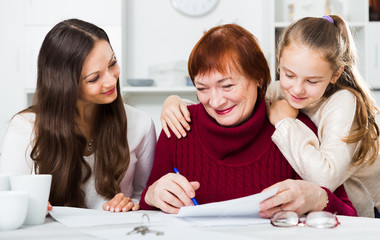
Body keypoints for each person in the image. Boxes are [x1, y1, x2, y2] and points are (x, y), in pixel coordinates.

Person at [160, 15, 380, 217]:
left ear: (335, 74)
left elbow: (325, 181)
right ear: (278, 61)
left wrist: (285, 122)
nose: (297, 89)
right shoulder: (278, 91)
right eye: (288, 74)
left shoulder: (344, 103)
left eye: (312, 81)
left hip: (363, 208)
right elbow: (227, 103)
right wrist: (176, 104)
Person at [0, 19, 156, 212]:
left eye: (112, 63)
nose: (110, 81)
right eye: (94, 78)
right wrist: (32, 207)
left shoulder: (140, 124)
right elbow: (5, 198)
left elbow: (146, 195)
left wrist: (132, 203)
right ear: (64, 86)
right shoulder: (25, 127)